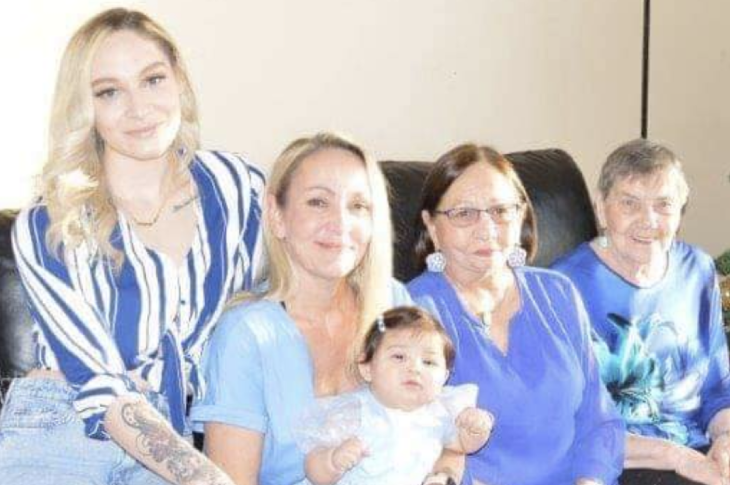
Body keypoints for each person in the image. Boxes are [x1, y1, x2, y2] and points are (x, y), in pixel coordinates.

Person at [0, 8, 264, 485]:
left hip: (177, 436)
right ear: (85, 108)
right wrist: (209, 479)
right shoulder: (49, 224)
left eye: (153, 80)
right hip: (66, 425)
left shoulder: (238, 187)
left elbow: (295, 285)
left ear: (179, 80)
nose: (139, 108)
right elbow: (102, 389)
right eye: (109, 92)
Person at [191, 133, 413, 485]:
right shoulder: (246, 335)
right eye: (317, 202)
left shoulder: (394, 305)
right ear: (277, 216)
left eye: (358, 206)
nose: (340, 223)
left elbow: (436, 425)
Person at [407, 143, 625, 485]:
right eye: (464, 213)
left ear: (521, 214)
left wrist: (590, 481)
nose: (487, 229)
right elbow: (407, 444)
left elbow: (598, 420)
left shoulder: (559, 293)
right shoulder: (412, 314)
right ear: (432, 226)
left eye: (500, 210)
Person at [552, 139, 730, 485]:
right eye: (629, 203)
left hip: (699, 451)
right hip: (618, 463)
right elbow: (568, 422)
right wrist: (676, 458)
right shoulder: (562, 286)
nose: (648, 221)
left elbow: (718, 386)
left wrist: (724, 440)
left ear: (680, 211)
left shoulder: (697, 269)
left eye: (664, 205)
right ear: (601, 209)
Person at [296, 305, 493, 485]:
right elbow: (312, 465)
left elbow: (460, 445)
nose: (414, 368)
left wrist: (475, 431)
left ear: (444, 377)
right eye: (399, 357)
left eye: (429, 362)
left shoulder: (439, 413)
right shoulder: (355, 412)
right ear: (367, 368)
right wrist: (332, 461)